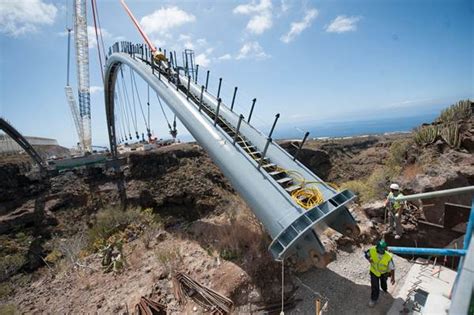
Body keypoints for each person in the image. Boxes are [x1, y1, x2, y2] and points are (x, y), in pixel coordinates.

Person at [365, 240, 395, 307]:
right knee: (375, 286)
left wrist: (393, 277)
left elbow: (392, 268)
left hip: (384, 273)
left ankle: (384, 290)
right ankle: (373, 299)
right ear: (377, 248)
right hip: (374, 271)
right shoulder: (372, 250)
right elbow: (366, 255)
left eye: (384, 250)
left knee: (383, 283)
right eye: (382, 250)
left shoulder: (388, 256)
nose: (383, 251)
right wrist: (369, 259)